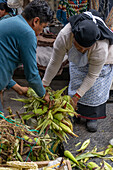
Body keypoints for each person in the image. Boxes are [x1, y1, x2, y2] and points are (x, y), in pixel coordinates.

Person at [42, 9, 113, 132]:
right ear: (73, 36)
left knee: (94, 89)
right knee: (77, 81)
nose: (81, 51)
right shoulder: (65, 35)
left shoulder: (101, 47)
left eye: (85, 49)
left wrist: (76, 97)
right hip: (79, 59)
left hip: (99, 65)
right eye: (79, 47)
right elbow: (55, 62)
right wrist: (44, 84)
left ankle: (92, 117)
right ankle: (77, 114)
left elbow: (92, 75)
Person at [0, 0, 54, 114]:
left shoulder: (11, 20)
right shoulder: (27, 33)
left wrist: (17, 87)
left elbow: (2, 63)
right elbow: (32, 75)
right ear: (36, 21)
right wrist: (43, 95)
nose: (40, 32)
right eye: (43, 27)